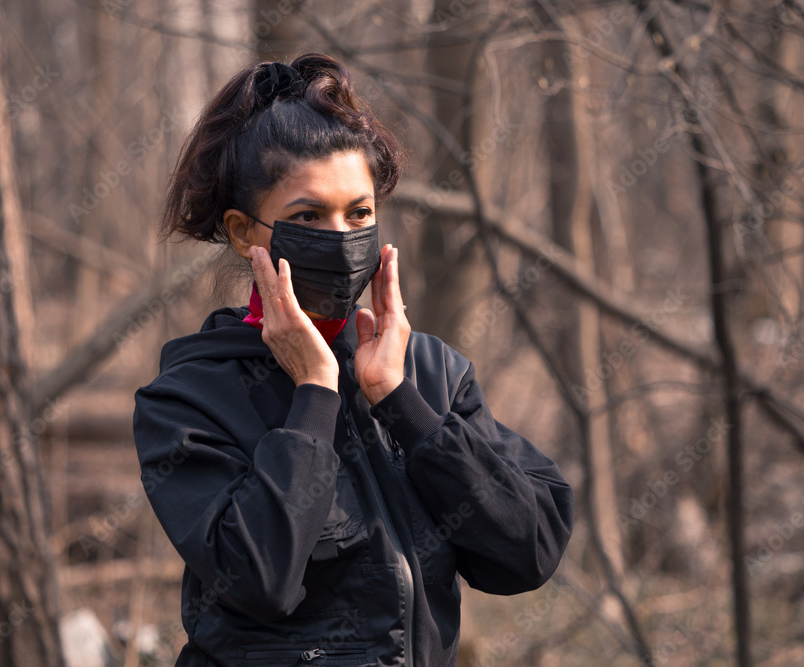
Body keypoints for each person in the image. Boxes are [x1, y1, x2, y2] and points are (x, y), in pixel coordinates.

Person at [133, 53, 574, 667]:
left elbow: (528, 551)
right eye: (308, 216)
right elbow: (258, 579)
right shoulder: (189, 399)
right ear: (242, 232)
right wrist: (315, 395)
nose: (341, 239)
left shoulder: (430, 374)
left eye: (359, 214)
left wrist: (402, 403)